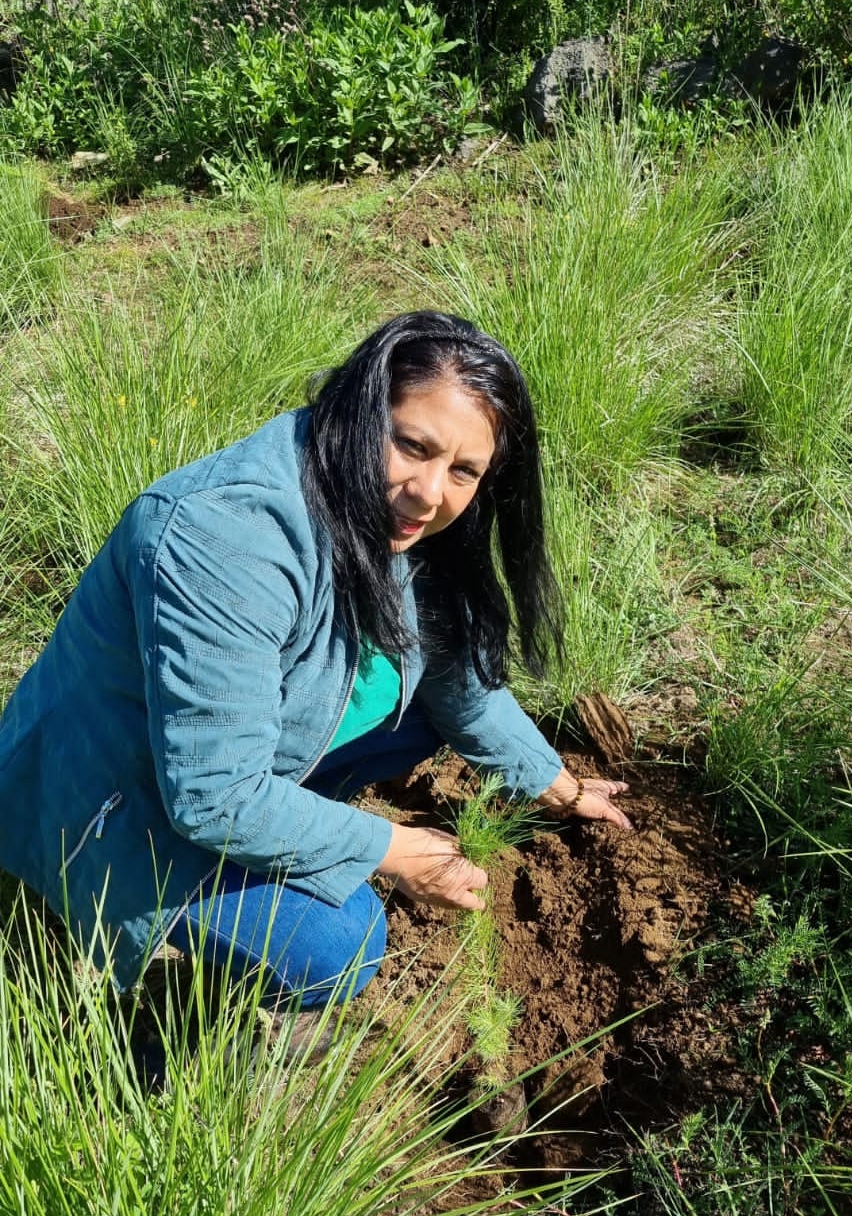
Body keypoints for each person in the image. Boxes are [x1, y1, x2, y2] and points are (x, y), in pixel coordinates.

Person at [0, 311, 631, 1027]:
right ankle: (159, 1011)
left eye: (463, 471)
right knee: (339, 942)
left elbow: (454, 677)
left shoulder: (389, 513)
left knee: (418, 714)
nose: (429, 491)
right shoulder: (230, 537)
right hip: (109, 804)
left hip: (215, 767)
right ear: (362, 412)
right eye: (412, 445)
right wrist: (390, 849)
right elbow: (213, 795)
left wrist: (553, 782)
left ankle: (281, 833)